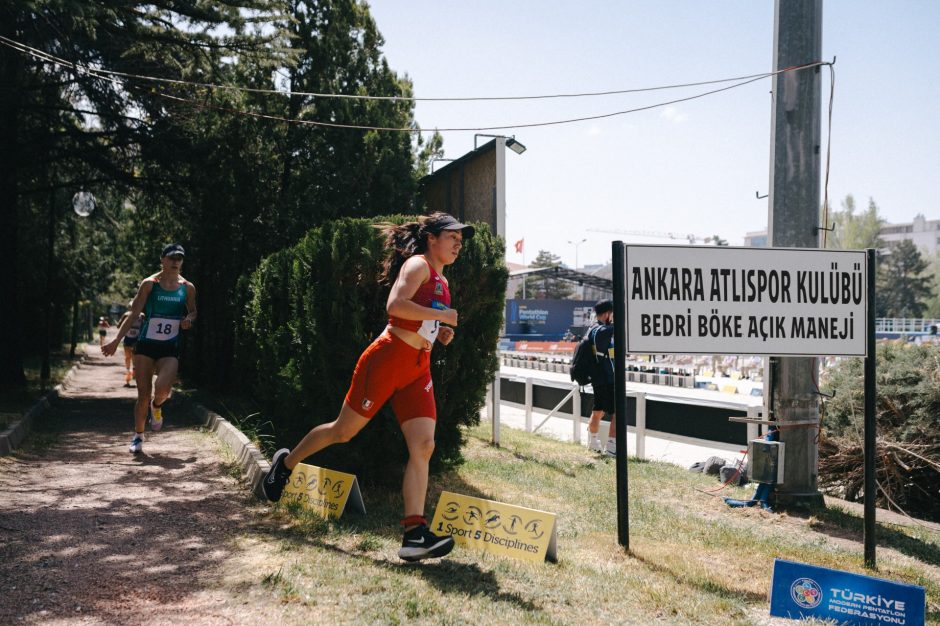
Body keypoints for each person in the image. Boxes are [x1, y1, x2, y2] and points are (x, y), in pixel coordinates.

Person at [261, 212, 474, 563]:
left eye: (460, 240)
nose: (458, 243)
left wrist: (440, 332)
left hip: (417, 369)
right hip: (387, 358)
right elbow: (395, 306)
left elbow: (421, 318)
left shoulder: (442, 279)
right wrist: (442, 317)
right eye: (452, 236)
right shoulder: (418, 265)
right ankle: (285, 465)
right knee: (343, 431)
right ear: (432, 238)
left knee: (424, 445)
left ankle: (414, 533)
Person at [102, 244, 196, 454]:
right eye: (171, 258)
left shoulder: (187, 287)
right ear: (162, 260)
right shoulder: (150, 284)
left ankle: (157, 406)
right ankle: (138, 436)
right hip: (145, 346)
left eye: (179, 258)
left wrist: (189, 319)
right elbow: (134, 314)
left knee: (163, 390)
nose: (175, 262)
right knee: (143, 394)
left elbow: (193, 311)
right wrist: (116, 340)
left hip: (170, 347)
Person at [586, 299, 618, 456]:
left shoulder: (592, 329)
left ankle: (593, 442)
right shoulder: (601, 330)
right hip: (608, 379)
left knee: (598, 411)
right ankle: (612, 448)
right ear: (607, 314)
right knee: (618, 413)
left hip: (598, 378)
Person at [116, 302, 144, 386]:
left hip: (132, 339)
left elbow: (118, 326)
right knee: (133, 358)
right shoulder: (141, 315)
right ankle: (131, 375)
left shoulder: (129, 314)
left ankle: (129, 376)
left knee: (128, 358)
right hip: (135, 339)